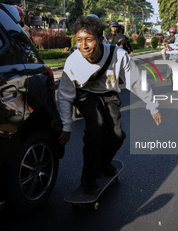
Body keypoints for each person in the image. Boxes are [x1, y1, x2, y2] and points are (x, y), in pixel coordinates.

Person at [58, 16, 162, 194]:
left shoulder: (118, 55)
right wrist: (66, 126)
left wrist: (152, 106)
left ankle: (103, 163)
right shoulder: (73, 60)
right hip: (85, 95)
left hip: (109, 95)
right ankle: (88, 177)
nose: (83, 46)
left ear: (100, 40)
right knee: (95, 130)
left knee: (117, 136)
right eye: (79, 40)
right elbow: (64, 95)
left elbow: (136, 82)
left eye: (89, 40)